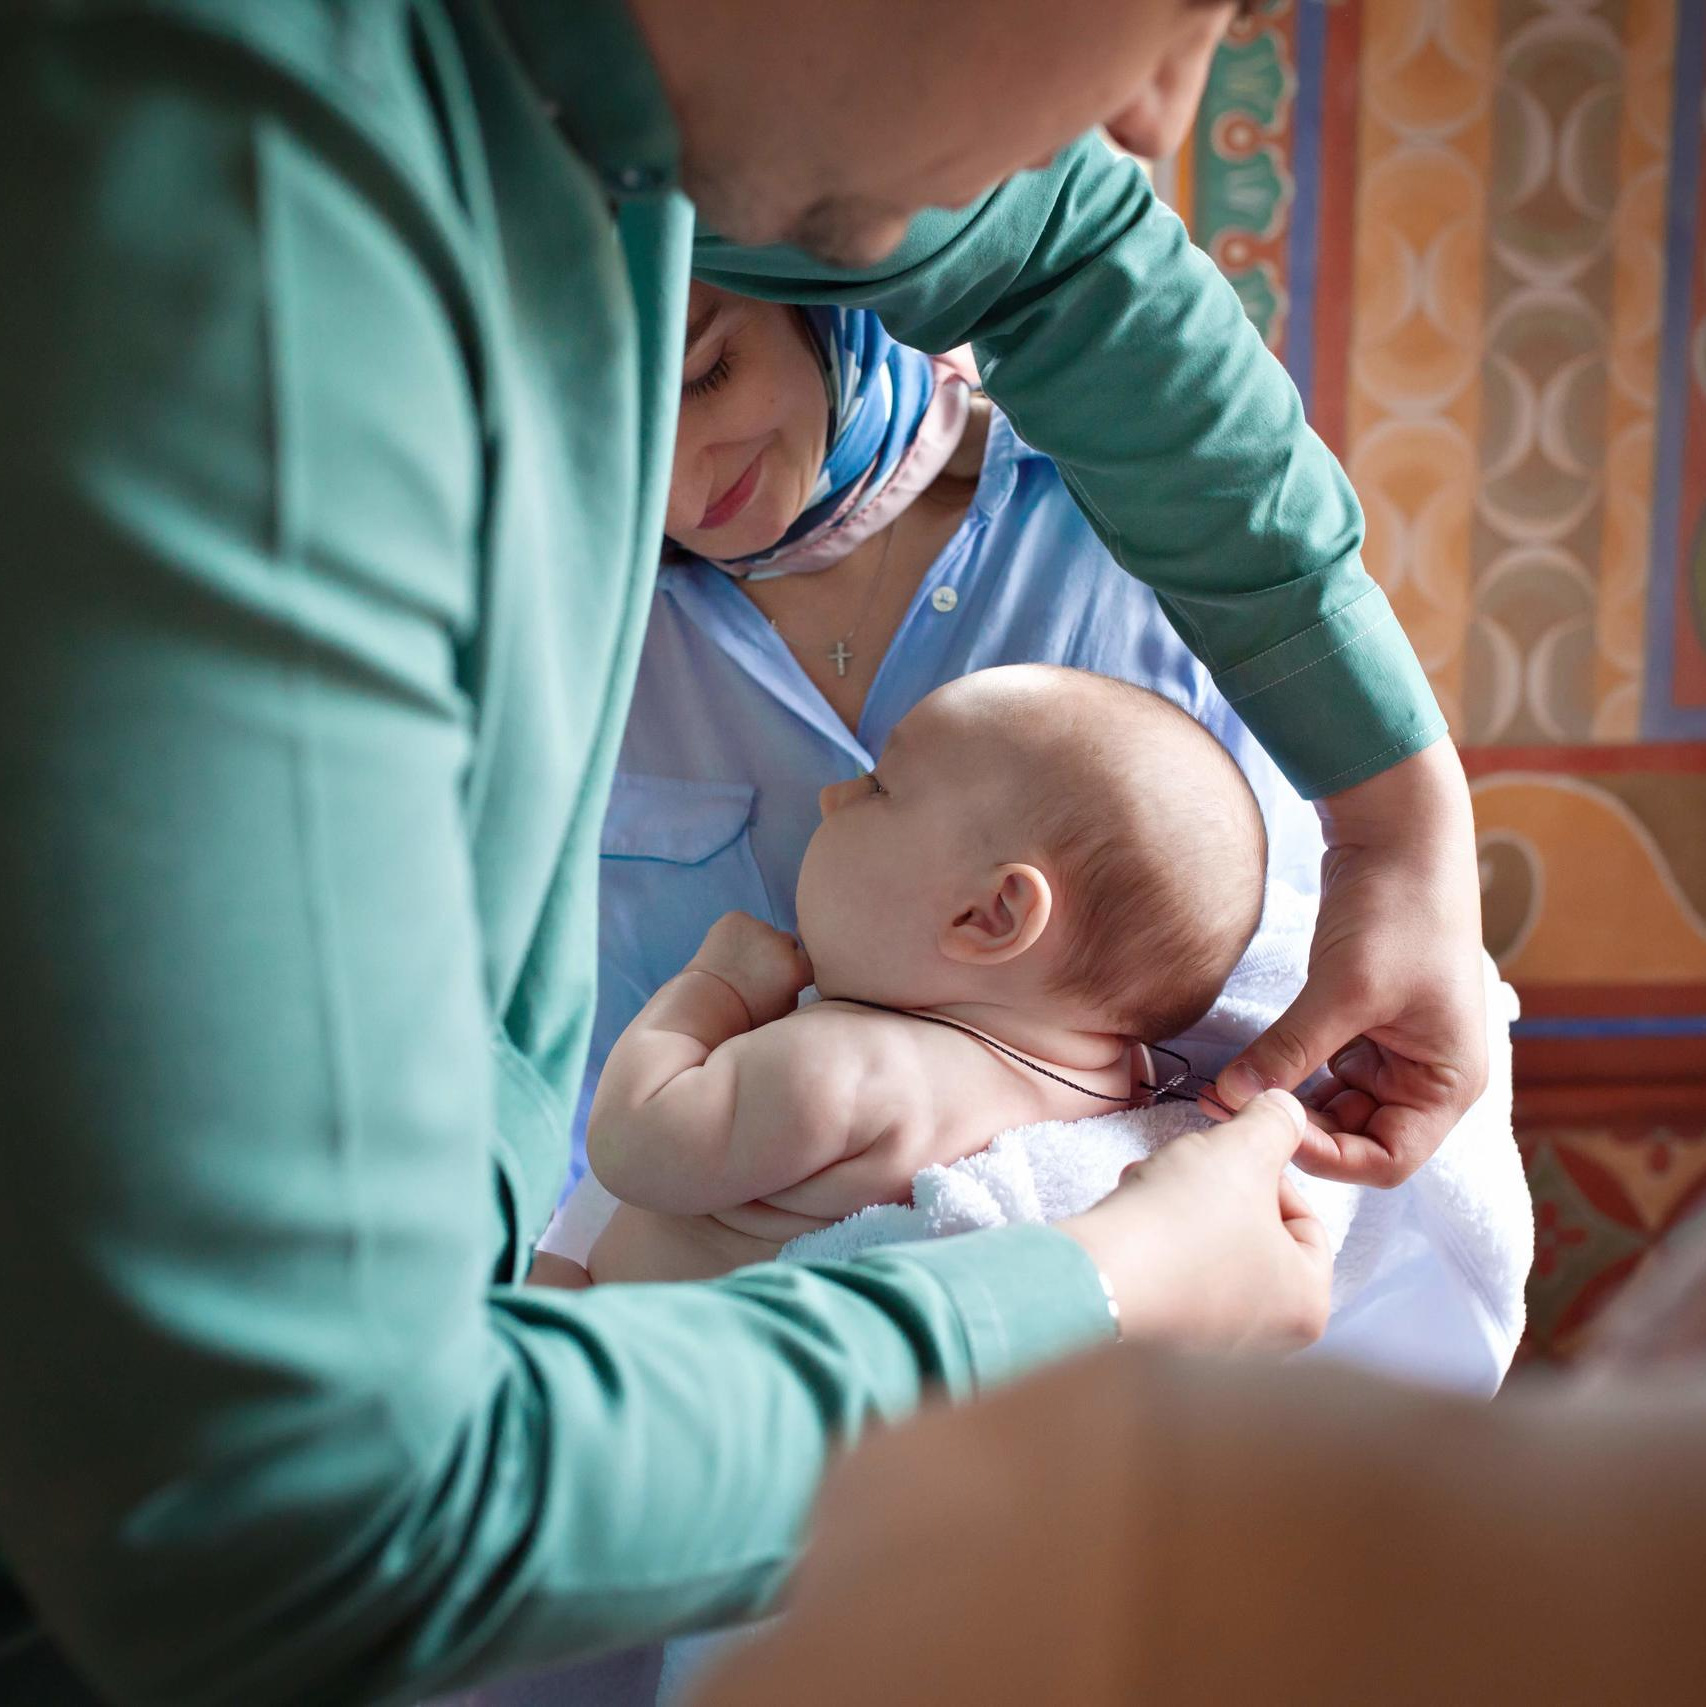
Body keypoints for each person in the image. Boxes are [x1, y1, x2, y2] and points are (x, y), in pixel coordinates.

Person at [0, 3, 1483, 1703]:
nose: (1159, 116)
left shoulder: (642, 135)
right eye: (1176, 12)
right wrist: (1107, 1293)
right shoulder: (260, 258)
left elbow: (1076, 262)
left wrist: (1400, 816)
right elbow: (283, 1526)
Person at [580, 667, 1272, 1286]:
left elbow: (631, 1140)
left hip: (634, 1367)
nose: (833, 796)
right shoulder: (1113, 1081)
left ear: (990, 915)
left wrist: (715, 987)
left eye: (879, 787)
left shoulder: (849, 1064)